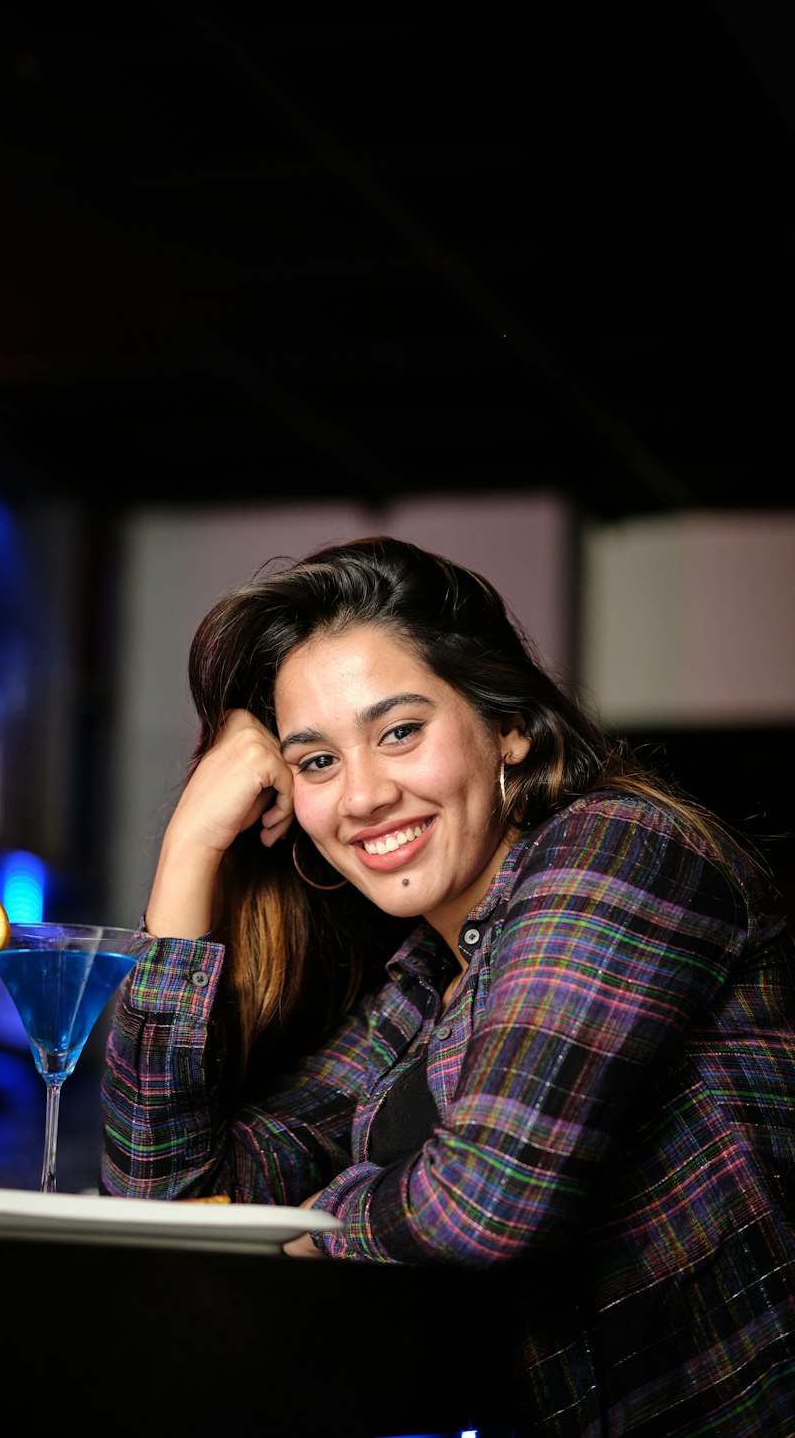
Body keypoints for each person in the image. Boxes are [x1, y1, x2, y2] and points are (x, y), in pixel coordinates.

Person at [99, 534, 795, 1436]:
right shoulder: (427, 984)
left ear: (508, 727)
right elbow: (168, 1204)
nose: (362, 797)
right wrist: (188, 853)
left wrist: (310, 1225)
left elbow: (487, 1199)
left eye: (399, 732)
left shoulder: (624, 848)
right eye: (316, 762)